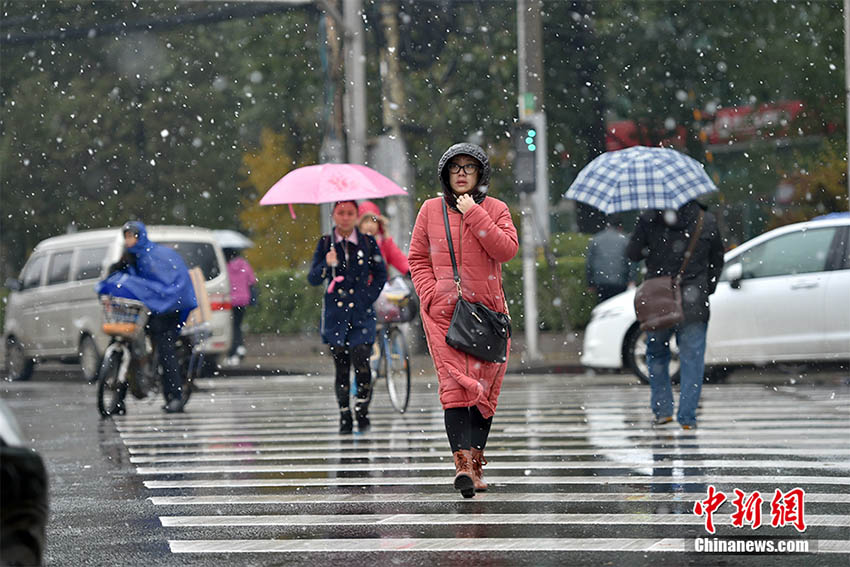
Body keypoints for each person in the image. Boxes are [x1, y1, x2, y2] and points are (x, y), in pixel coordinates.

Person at [408, 143, 518, 498]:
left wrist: (474, 213)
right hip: (444, 314)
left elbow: (506, 250)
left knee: (484, 392)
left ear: (480, 174)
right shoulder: (430, 210)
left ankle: (477, 460)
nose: (461, 173)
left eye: (469, 167)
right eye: (454, 167)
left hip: (488, 313)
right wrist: (431, 292)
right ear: (444, 174)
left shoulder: (496, 209)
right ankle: (462, 466)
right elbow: (417, 258)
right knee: (455, 388)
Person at [626, 200, 724, 430]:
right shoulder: (705, 220)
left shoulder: (649, 217)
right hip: (694, 301)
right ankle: (688, 417)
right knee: (692, 359)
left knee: (657, 354)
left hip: (658, 299)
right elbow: (717, 260)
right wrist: (703, 289)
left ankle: (663, 411)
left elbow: (632, 253)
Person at [96, 221, 197, 414]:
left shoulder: (156, 256)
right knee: (127, 343)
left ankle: (174, 397)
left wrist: (156, 296)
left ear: (140, 236)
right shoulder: (130, 257)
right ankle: (118, 399)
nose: (128, 240)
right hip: (145, 310)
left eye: (131, 236)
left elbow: (168, 283)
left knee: (165, 348)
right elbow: (122, 278)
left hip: (168, 309)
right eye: (126, 236)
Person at [308, 200, 387, 433]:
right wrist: (326, 265)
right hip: (336, 315)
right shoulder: (325, 243)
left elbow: (380, 273)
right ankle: (344, 414)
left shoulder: (367, 242)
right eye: (340, 213)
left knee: (362, 361)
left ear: (356, 216)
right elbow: (312, 277)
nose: (345, 217)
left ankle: (362, 409)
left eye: (350, 213)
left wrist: (367, 297)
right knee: (341, 367)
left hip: (361, 314)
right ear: (333, 215)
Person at [585, 216, 638, 303]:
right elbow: (632, 261)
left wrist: (590, 283)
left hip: (601, 281)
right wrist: (632, 279)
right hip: (620, 281)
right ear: (620, 227)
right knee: (618, 307)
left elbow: (589, 263)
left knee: (604, 306)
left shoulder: (596, 239)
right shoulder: (625, 239)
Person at [223, 247, 257, 366]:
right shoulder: (244, 265)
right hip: (243, 299)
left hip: (230, 300)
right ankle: (240, 347)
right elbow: (252, 280)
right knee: (238, 324)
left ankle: (233, 350)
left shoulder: (225, 267)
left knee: (232, 326)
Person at [357, 200, 410, 276]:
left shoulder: (384, 243)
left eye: (373, 221)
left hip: (383, 285)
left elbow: (398, 258)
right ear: (359, 225)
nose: (370, 225)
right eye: (366, 221)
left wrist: (411, 271)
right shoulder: (355, 243)